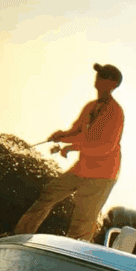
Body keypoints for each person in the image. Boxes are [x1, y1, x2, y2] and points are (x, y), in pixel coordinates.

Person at [13, 63, 125, 241]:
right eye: (98, 75)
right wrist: (61, 136)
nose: (97, 78)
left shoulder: (115, 113)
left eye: (103, 76)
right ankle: (19, 236)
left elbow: (106, 147)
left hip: (103, 174)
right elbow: (77, 132)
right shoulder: (91, 106)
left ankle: (75, 254)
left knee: (82, 219)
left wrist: (73, 147)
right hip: (82, 168)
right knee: (49, 193)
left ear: (112, 84)